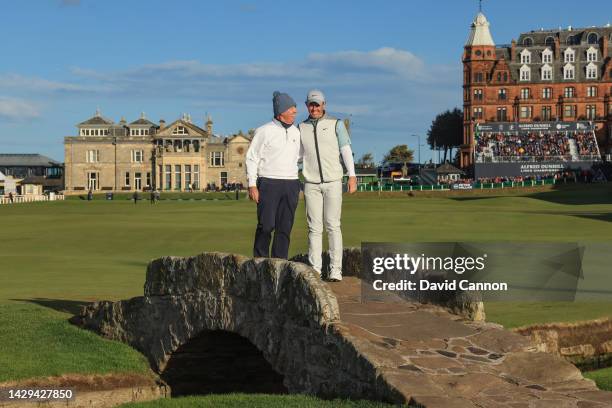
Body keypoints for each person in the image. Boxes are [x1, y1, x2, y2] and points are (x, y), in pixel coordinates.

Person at [299, 89, 357, 281]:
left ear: (324, 105)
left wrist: (352, 175)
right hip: (311, 183)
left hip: (333, 181)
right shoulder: (301, 127)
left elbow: (346, 150)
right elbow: (298, 155)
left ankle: (335, 270)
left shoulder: (336, 124)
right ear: (307, 105)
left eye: (317, 104)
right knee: (314, 228)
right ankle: (315, 270)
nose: (314, 108)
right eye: (311, 104)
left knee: (333, 226)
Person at [246, 91, 301, 259]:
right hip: (268, 182)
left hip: (291, 183)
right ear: (281, 112)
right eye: (291, 108)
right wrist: (252, 184)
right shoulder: (264, 131)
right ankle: (260, 261)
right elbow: (252, 158)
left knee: (285, 227)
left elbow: (302, 156)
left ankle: (279, 263)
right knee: (266, 226)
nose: (295, 112)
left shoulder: (296, 132)